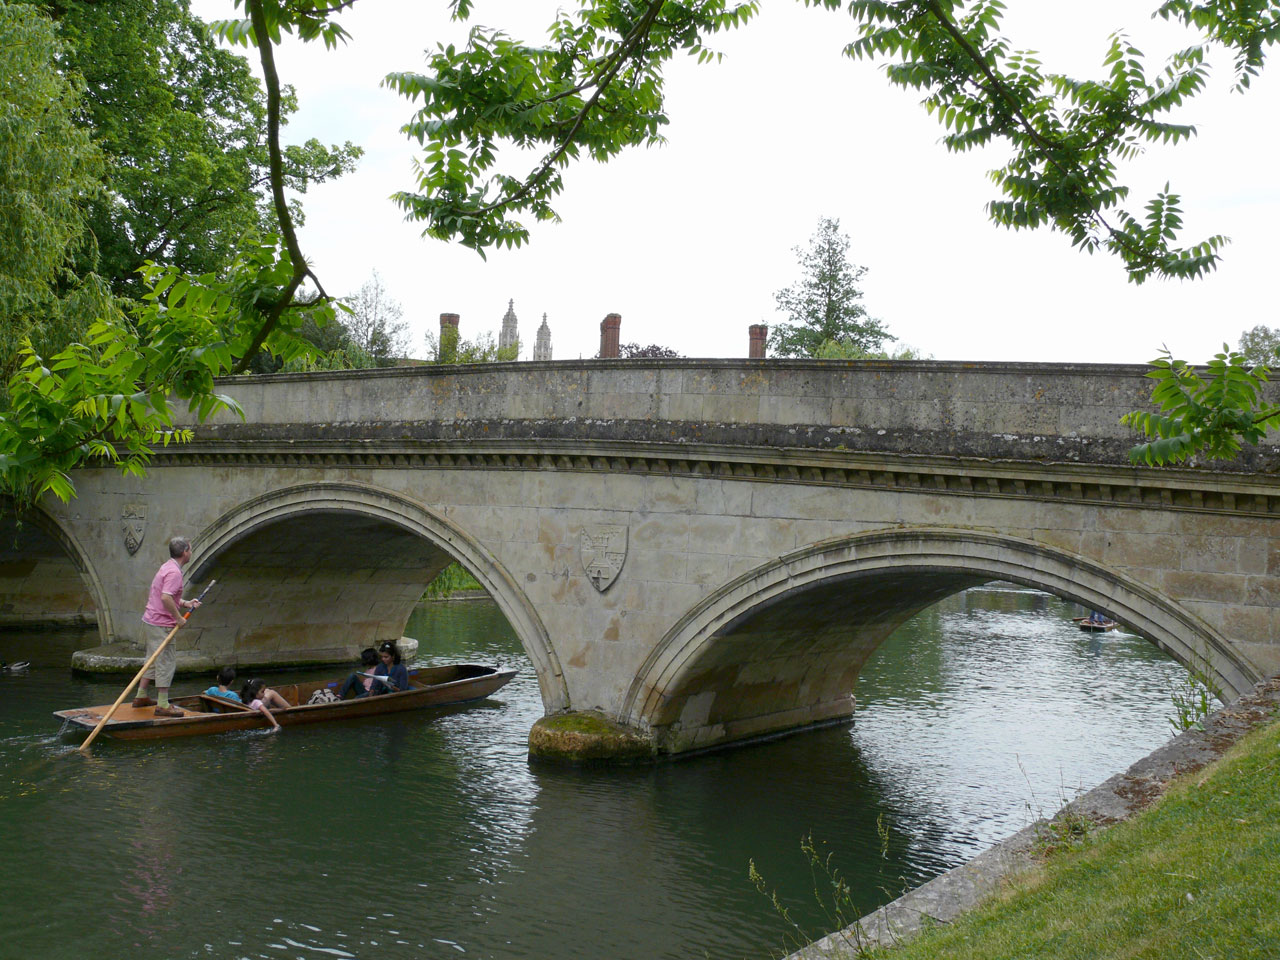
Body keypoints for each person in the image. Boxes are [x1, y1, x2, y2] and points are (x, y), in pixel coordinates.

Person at [134, 536, 201, 717]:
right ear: (185, 552)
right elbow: (165, 597)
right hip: (161, 623)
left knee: (153, 658)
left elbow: (168, 596)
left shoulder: (167, 566)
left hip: (151, 620)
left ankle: (141, 695)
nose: (191, 553)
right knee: (165, 661)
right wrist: (179, 618)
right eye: (191, 549)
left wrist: (186, 603)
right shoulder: (175, 573)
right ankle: (163, 704)